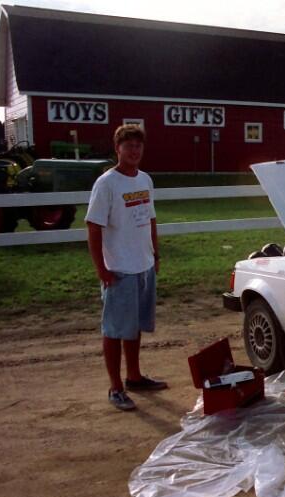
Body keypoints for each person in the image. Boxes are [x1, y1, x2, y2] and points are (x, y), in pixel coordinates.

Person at [86, 124, 167, 411]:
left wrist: (155, 254)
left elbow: (151, 219)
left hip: (143, 266)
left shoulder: (145, 180)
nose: (134, 151)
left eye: (138, 146)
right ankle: (115, 386)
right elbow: (93, 227)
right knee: (114, 329)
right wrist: (101, 269)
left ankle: (134, 377)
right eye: (128, 146)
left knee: (134, 327)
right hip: (118, 269)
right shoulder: (107, 184)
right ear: (117, 148)